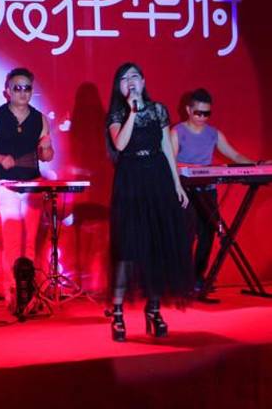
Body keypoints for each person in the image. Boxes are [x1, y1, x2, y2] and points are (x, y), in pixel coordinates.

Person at [105, 62, 192, 342]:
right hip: (131, 181)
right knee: (128, 248)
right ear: (119, 86)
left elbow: (166, 148)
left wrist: (177, 184)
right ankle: (118, 312)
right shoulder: (117, 114)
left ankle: (153, 310)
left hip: (158, 178)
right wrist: (132, 111)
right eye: (124, 78)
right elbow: (120, 145)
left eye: (135, 77)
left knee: (158, 246)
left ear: (143, 82)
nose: (130, 81)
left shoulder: (158, 110)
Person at [170, 88, 265, 298]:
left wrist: (257, 165)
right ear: (188, 110)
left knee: (208, 234)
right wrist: (189, 170)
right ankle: (181, 280)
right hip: (185, 192)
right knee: (186, 234)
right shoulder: (177, 132)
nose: (202, 118)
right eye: (198, 113)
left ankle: (198, 279)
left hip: (207, 191)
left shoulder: (213, 134)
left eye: (207, 113)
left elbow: (235, 155)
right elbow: (171, 162)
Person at [0, 67, 54, 314]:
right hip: (7, 185)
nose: (22, 92)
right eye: (17, 88)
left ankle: (29, 293)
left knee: (30, 242)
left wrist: (46, 150)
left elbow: (47, 155)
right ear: (7, 92)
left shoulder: (40, 119)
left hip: (32, 185)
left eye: (26, 88)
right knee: (12, 242)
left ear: (31, 91)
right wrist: (0, 158)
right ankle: (12, 292)